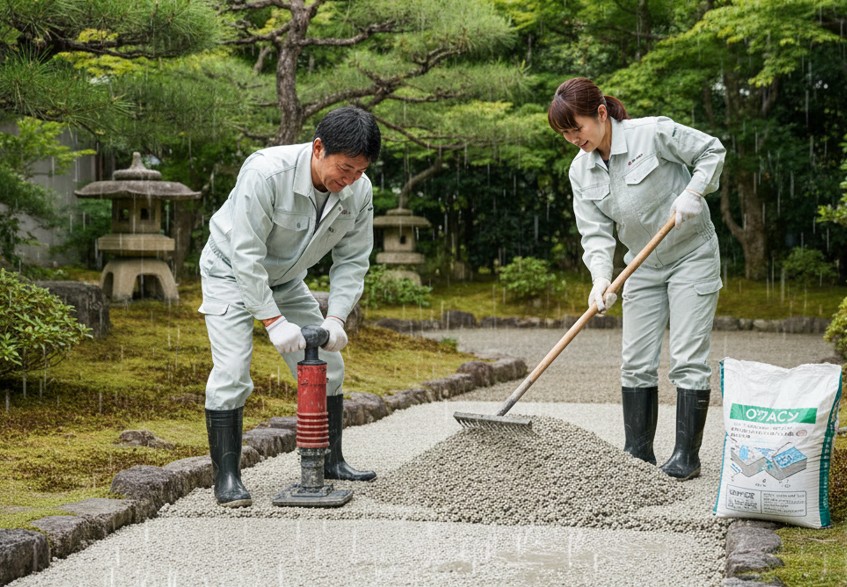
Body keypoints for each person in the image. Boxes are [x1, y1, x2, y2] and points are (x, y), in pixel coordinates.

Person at [198, 106, 381, 507]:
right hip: (228, 270)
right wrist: (273, 320)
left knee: (330, 367)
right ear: (318, 148)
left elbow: (353, 260)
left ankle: (331, 461)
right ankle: (226, 477)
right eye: (345, 168)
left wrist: (336, 317)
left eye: (360, 172)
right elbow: (245, 253)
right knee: (231, 372)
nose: (349, 180)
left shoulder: (359, 192)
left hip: (285, 279)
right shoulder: (266, 172)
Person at [547, 77, 726, 481]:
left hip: (690, 255)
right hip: (641, 266)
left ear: (601, 113)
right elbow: (593, 233)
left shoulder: (653, 134)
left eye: (577, 127)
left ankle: (686, 456)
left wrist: (694, 192)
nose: (574, 138)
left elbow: (711, 150)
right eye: (565, 133)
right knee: (635, 361)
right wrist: (600, 279)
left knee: (686, 357)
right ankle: (638, 452)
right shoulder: (581, 171)